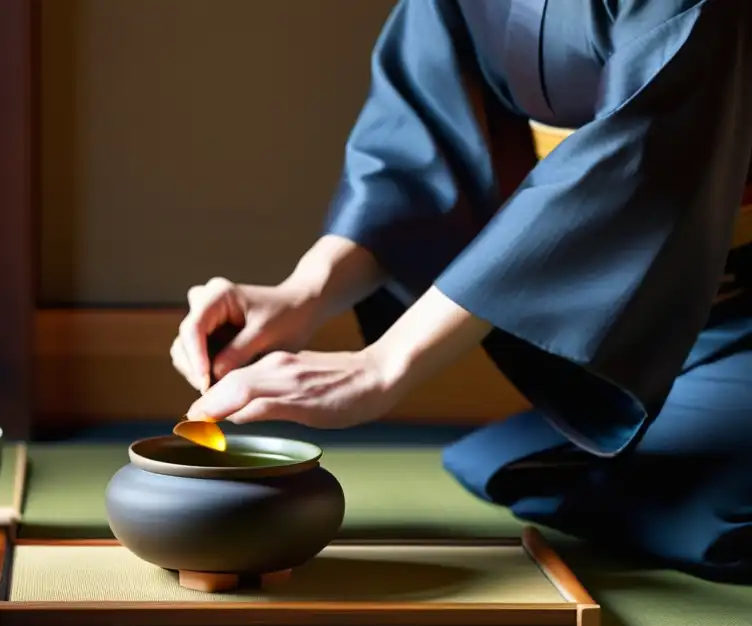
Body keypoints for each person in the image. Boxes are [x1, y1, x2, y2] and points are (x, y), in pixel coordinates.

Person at [169, 0, 752, 584]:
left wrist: (383, 366)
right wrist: (304, 293)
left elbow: (631, 167)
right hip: (646, 327)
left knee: (710, 516)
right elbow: (417, 144)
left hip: (735, 304)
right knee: (501, 464)